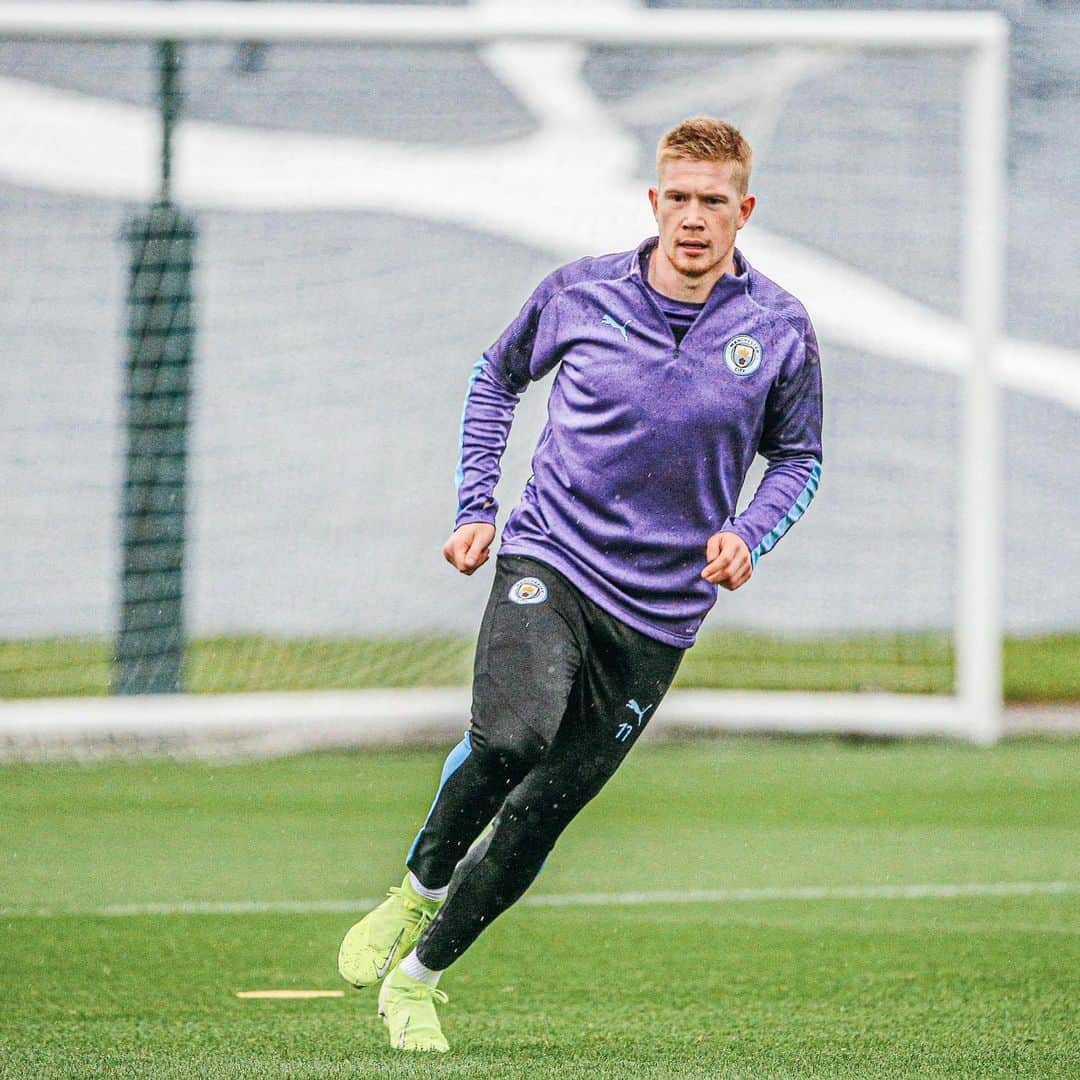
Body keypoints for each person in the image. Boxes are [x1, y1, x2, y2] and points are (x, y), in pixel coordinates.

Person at [337, 116, 823, 1053]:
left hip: (662, 612)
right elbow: (495, 378)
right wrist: (475, 505)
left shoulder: (779, 328)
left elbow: (798, 458)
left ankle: (419, 979)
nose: (692, 218)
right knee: (515, 732)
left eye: (712, 202)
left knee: (541, 814)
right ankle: (417, 888)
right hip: (550, 558)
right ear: (654, 201)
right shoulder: (579, 293)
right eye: (676, 197)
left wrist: (748, 534)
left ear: (743, 211)